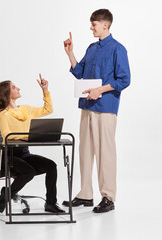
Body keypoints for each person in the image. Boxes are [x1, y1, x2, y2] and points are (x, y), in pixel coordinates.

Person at [62, 9, 130, 213]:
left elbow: (124, 80)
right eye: (91, 24)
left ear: (105, 25)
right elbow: (80, 72)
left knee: (105, 153)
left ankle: (108, 197)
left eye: (94, 24)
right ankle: (85, 194)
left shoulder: (118, 49)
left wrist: (100, 90)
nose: (91, 28)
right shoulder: (91, 48)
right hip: (87, 106)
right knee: (85, 152)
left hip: (105, 108)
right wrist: (70, 53)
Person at [0, 74, 64, 213]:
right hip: (10, 156)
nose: (18, 88)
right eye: (14, 87)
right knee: (29, 172)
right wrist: (29, 136)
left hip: (25, 154)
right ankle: (6, 195)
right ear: (6, 93)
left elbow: (48, 110)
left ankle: (50, 204)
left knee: (51, 166)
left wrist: (45, 90)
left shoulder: (25, 109)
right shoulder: (3, 114)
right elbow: (6, 135)